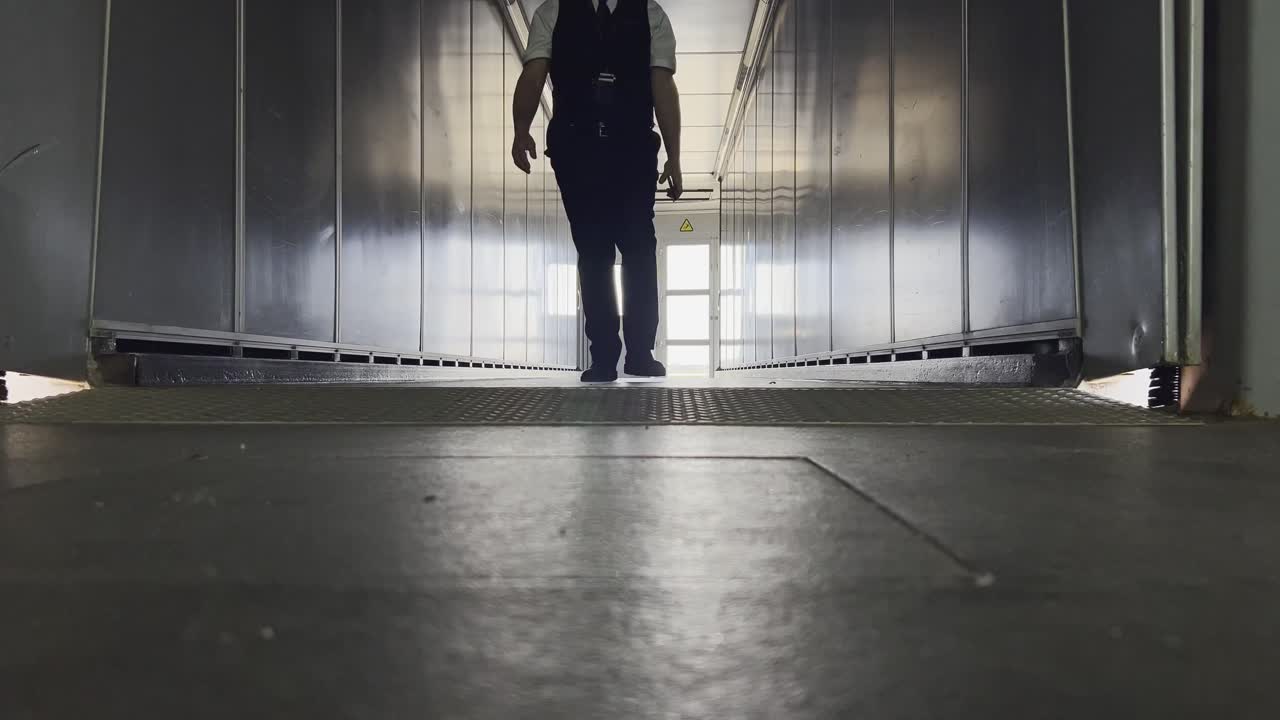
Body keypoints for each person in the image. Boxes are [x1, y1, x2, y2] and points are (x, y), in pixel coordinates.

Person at [511, 0, 683, 383]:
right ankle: (605, 355)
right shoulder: (552, 12)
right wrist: (521, 128)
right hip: (578, 153)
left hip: (631, 151)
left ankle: (638, 352)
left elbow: (663, 86)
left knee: (636, 247)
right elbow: (534, 71)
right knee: (595, 250)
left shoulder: (650, 14)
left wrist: (674, 156)